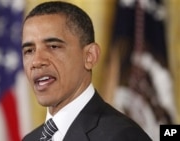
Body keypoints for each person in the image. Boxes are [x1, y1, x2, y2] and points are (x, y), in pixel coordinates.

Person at [21, 1, 152, 141]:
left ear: (90, 56)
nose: (36, 61)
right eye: (29, 51)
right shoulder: (30, 139)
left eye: (53, 46)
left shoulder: (122, 136)